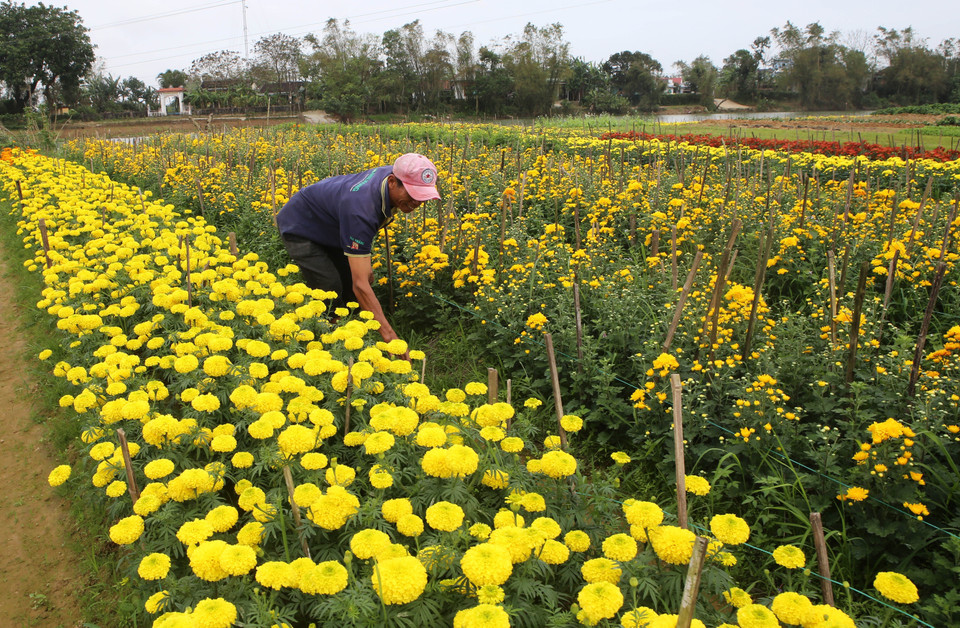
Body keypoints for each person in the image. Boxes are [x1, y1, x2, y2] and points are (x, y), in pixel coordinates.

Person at [277, 153, 440, 354]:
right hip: (301, 225)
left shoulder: (397, 175)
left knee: (349, 285)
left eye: (422, 196)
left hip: (333, 226)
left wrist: (364, 268)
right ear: (392, 182)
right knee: (330, 286)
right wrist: (390, 337)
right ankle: (330, 343)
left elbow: (360, 277)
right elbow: (361, 284)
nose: (417, 202)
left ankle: (348, 332)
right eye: (413, 194)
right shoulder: (361, 208)